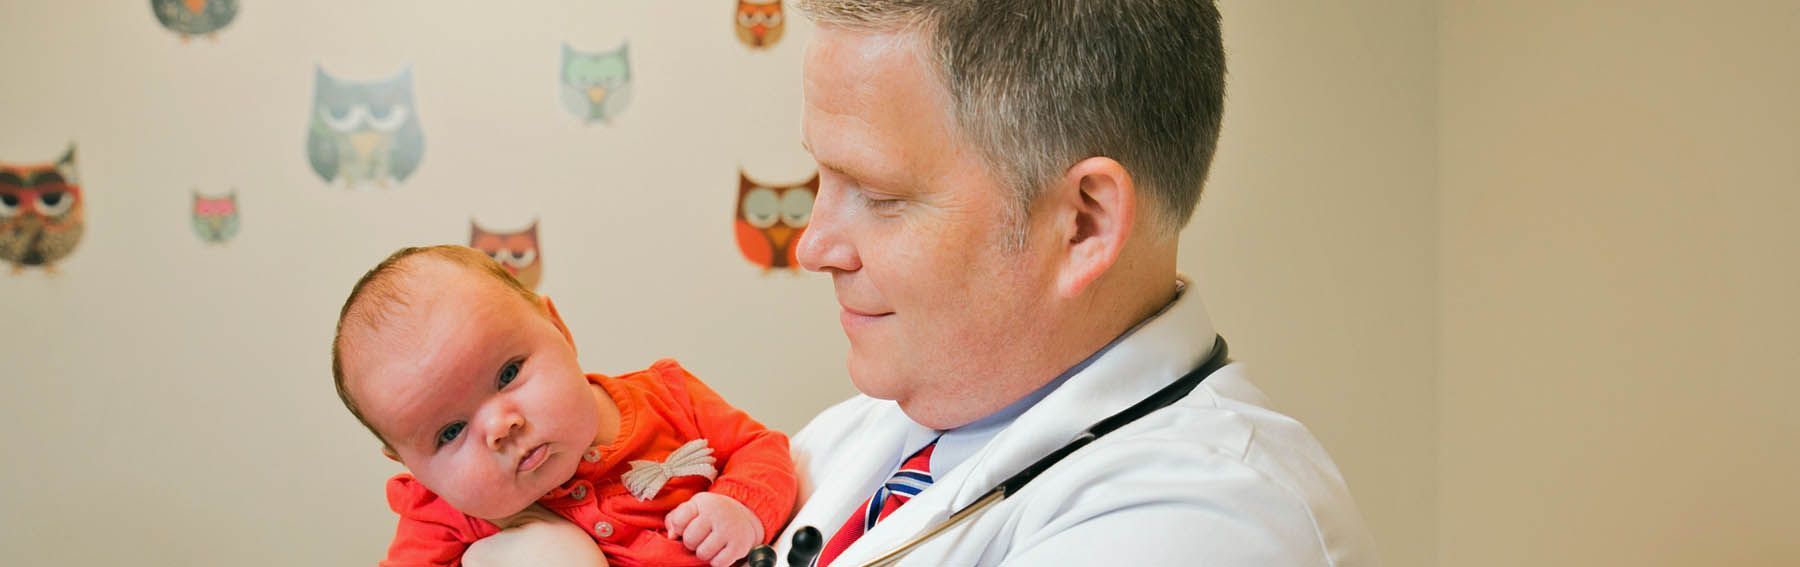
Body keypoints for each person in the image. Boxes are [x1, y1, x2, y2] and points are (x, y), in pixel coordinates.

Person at [772, 1, 1379, 565]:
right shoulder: (869, 434)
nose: (813, 247)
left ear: (1085, 224)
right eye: (820, 178)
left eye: (880, 196)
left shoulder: (1211, 521)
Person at [330, 245, 797, 567]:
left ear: (559, 328)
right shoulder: (440, 516)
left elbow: (764, 450)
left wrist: (740, 506)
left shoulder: (668, 396)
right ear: (413, 467)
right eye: (450, 432)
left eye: (508, 374)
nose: (500, 426)